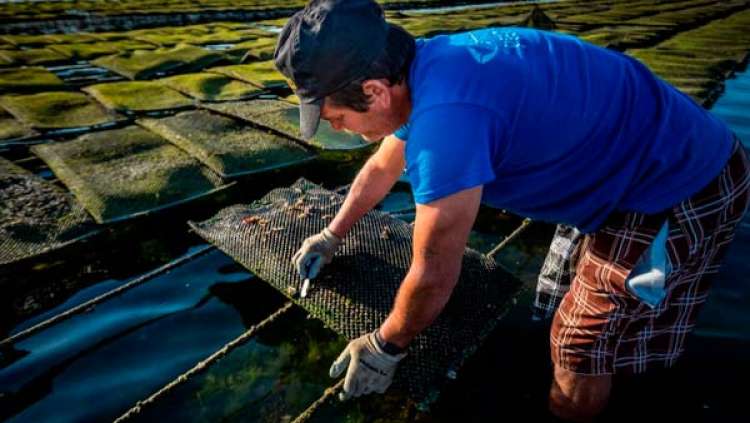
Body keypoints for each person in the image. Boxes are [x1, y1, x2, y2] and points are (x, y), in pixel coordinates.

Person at [274, 0, 750, 420]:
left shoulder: (448, 124)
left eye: (337, 118)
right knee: (558, 298)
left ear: (375, 90)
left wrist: (384, 346)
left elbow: (435, 272)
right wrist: (333, 234)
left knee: (578, 346)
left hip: (677, 183)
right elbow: (382, 167)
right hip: (618, 164)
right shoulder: (427, 67)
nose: (341, 129)